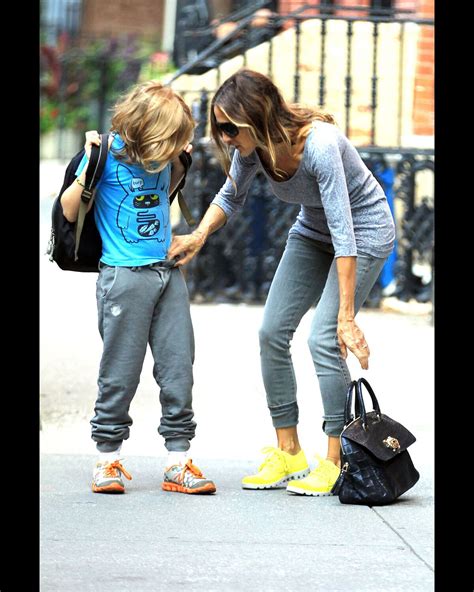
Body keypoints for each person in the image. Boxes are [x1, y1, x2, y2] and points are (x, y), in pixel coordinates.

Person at [168, 69, 396, 497]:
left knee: (325, 339)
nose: (225, 136)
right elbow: (229, 196)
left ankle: (337, 458)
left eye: (229, 127)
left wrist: (346, 316)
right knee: (272, 332)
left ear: (257, 118)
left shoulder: (321, 146)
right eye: (220, 128)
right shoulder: (252, 149)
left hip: (362, 233)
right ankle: (289, 451)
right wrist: (198, 235)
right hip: (313, 231)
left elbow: (345, 231)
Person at [60, 81, 216, 495]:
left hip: (168, 274)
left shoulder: (167, 158)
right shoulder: (104, 156)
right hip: (124, 279)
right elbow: (68, 209)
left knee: (179, 367)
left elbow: (166, 198)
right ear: (150, 133)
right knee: (120, 372)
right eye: (174, 138)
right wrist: (88, 166)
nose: (180, 146)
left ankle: (178, 462)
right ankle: (107, 458)